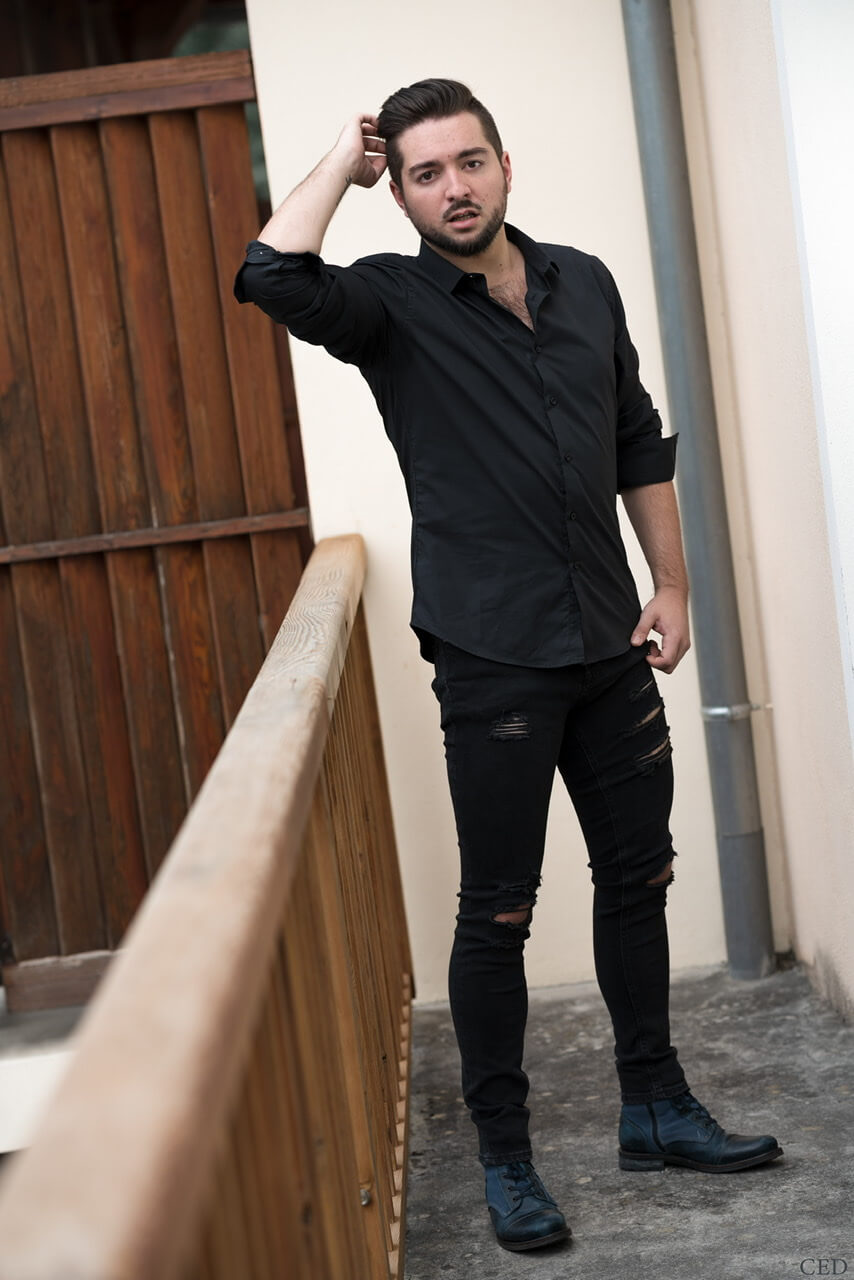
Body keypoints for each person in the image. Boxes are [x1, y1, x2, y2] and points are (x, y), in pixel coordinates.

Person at [235, 78, 783, 1253]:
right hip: (492, 655)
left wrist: (673, 582)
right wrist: (340, 160)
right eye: (424, 173)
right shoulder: (386, 303)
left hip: (608, 638)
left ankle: (655, 1107)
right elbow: (270, 273)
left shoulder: (582, 280)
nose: (453, 188)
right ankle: (505, 1159)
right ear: (401, 192)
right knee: (497, 908)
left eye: (468, 161)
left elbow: (633, 435)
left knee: (637, 875)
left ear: (503, 163)